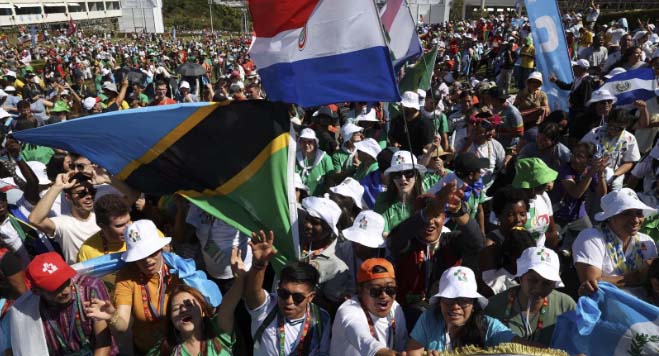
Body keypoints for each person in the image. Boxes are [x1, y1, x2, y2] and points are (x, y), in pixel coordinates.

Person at [84, 220, 177, 354]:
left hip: (179, 348)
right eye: (140, 256)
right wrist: (112, 317)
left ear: (161, 248)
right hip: (145, 350)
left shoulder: (179, 270)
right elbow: (122, 324)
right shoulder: (127, 276)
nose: (148, 260)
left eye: (152, 253)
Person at [8, 252, 115, 355]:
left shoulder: (89, 291)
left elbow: (104, 343)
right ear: (37, 291)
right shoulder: (27, 313)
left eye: (66, 282)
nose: (66, 291)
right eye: (55, 288)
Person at [148, 245, 246, 356]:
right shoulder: (164, 350)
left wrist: (239, 280)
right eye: (175, 308)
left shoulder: (218, 332)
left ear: (203, 311)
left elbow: (227, 307)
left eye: (189, 304)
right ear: (171, 319)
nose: (183, 309)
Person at [244, 231, 331, 356]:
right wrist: (259, 265)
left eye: (298, 297)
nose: (289, 301)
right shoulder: (267, 308)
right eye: (283, 293)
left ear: (311, 297)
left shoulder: (321, 318)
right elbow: (252, 294)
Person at [406, 266, 515, 354]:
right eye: (449, 299)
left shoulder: (488, 325)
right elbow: (413, 353)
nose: (455, 306)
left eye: (463, 300)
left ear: (473, 304)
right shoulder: (428, 319)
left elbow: (519, 346)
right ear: (440, 302)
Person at [574, 189, 658, 296]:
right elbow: (591, 286)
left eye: (639, 213)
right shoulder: (590, 237)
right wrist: (637, 277)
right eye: (626, 213)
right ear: (610, 217)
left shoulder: (647, 241)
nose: (636, 220)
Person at [485, 247, 576, 346]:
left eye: (547, 283)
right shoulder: (495, 305)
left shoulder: (566, 306)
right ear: (521, 277)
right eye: (533, 280)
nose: (539, 287)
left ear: (554, 284)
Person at [330, 258, 407, 356]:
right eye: (375, 290)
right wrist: (379, 352)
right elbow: (362, 338)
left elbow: (401, 346)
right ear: (360, 290)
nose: (384, 295)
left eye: (390, 289)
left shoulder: (395, 308)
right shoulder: (348, 310)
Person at [28, 172, 101, 264]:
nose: (89, 196)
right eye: (82, 193)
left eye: (92, 192)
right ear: (68, 197)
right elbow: (34, 219)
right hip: (81, 277)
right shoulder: (63, 223)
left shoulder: (103, 217)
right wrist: (57, 186)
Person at [299, 196, 353, 312]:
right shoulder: (296, 240)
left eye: (315, 223)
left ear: (330, 229)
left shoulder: (337, 264)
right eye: (307, 219)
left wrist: (301, 291)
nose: (307, 225)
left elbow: (331, 306)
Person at [581, 108, 641, 191]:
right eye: (611, 126)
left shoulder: (629, 139)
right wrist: (590, 163)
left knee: (614, 194)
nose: (613, 130)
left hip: (614, 174)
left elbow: (628, 162)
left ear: (626, 126)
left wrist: (613, 176)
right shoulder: (595, 132)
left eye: (619, 128)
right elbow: (580, 152)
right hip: (591, 171)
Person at [511, 158, 559, 248]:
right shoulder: (510, 202)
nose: (547, 184)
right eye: (543, 182)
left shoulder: (544, 196)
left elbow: (552, 230)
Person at [375, 150, 425, 233]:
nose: (403, 179)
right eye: (397, 174)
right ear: (392, 178)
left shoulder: (426, 201)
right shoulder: (383, 199)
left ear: (417, 175)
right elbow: (383, 234)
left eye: (408, 173)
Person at [335, 210, 387, 283]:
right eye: (356, 241)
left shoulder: (388, 256)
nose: (358, 246)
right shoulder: (343, 250)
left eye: (363, 244)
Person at [388, 91, 435, 157]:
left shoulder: (425, 124)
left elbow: (428, 149)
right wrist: (394, 143)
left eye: (404, 106)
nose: (400, 107)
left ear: (412, 108)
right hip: (398, 159)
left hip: (418, 162)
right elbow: (391, 136)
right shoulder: (397, 120)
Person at [296, 128, 334, 196]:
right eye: (303, 141)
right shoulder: (295, 158)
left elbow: (330, 181)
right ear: (299, 142)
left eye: (310, 141)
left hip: (318, 201)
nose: (306, 145)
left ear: (315, 143)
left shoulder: (325, 158)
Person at [514, 71, 549, 142]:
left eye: (537, 82)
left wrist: (543, 109)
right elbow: (514, 107)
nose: (535, 84)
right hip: (522, 121)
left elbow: (547, 108)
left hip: (535, 123)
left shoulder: (542, 95)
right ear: (529, 82)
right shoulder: (521, 93)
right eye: (533, 81)